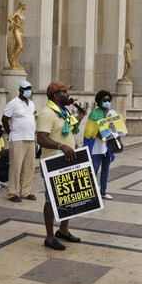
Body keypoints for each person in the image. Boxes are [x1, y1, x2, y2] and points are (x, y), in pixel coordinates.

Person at [37, 81, 86, 250]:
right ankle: (49, 237)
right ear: (56, 96)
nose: (68, 95)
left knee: (70, 196)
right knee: (51, 200)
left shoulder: (64, 112)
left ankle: (63, 230)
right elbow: (41, 138)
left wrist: (79, 119)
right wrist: (61, 146)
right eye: (64, 92)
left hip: (67, 160)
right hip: (53, 161)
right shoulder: (47, 113)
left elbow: (66, 132)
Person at [2, 81, 37, 203]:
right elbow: (4, 119)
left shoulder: (31, 104)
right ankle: (12, 193)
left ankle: (25, 192)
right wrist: (10, 132)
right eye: (26, 88)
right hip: (17, 139)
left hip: (30, 139)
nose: (28, 90)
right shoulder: (13, 103)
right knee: (16, 167)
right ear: (20, 90)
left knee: (29, 167)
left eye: (30, 88)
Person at [84, 90, 117, 200]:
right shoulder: (94, 113)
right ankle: (91, 193)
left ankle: (103, 191)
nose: (107, 102)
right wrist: (98, 133)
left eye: (109, 100)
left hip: (108, 147)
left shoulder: (113, 113)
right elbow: (89, 131)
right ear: (99, 101)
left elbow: (117, 129)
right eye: (105, 100)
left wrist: (116, 134)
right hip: (96, 147)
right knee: (93, 170)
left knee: (106, 169)